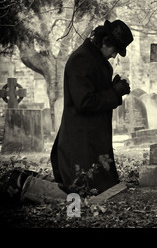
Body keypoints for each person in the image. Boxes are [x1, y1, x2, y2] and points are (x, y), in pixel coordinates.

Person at [50, 19, 133, 195]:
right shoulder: (81, 59)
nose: (114, 56)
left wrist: (114, 89)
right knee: (86, 189)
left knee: (104, 188)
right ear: (104, 42)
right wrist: (114, 93)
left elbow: (97, 94)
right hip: (81, 143)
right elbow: (84, 102)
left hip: (95, 141)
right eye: (115, 50)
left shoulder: (98, 61)